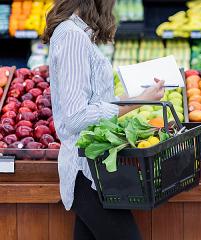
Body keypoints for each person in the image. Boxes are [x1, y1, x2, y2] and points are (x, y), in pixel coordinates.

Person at [42, 0, 164, 239]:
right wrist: (137, 103)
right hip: (86, 173)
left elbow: (94, 102)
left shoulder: (77, 33)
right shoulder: (72, 37)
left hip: (95, 169)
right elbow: (77, 116)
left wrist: (139, 96)